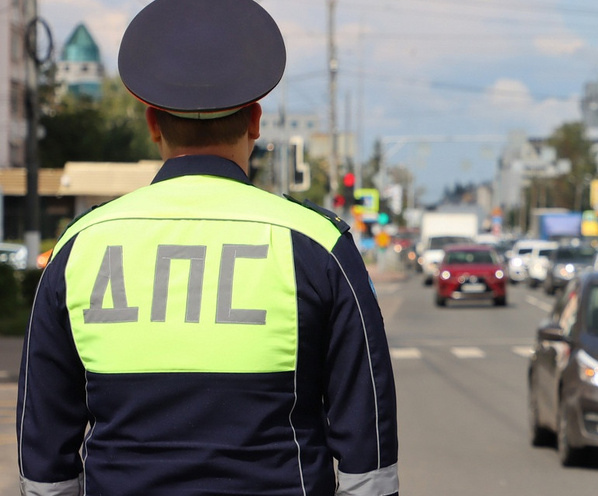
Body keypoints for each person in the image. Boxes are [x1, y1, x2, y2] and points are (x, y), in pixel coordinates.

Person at [16, 0, 399, 494]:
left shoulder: (80, 246)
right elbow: (366, 447)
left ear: (153, 122)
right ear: (256, 121)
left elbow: (44, 448)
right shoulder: (318, 246)